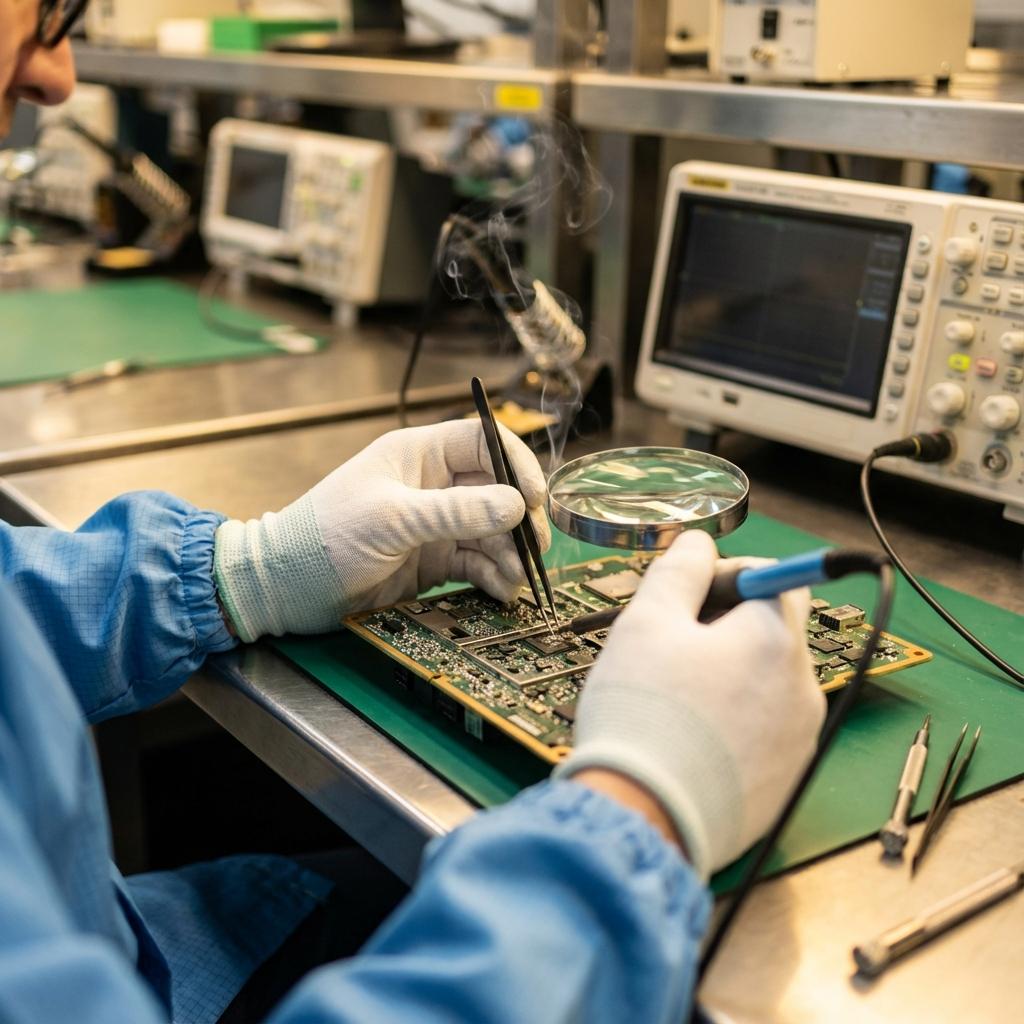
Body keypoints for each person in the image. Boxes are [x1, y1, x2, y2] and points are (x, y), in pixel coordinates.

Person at [0, 3, 826, 1021]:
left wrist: (244, 570)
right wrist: (641, 812)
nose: (57, 78)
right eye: (42, 15)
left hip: (127, 943)